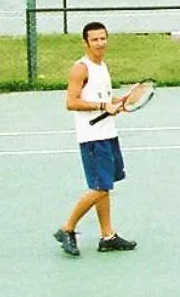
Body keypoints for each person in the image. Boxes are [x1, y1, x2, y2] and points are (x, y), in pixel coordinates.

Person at [54, 22, 137, 255]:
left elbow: (106, 100)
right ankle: (66, 228)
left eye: (103, 38)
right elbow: (71, 102)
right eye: (95, 40)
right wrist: (103, 105)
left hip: (108, 134)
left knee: (105, 186)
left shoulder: (103, 66)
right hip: (92, 138)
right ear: (86, 43)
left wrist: (119, 102)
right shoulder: (81, 68)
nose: (100, 43)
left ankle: (107, 236)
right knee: (100, 187)